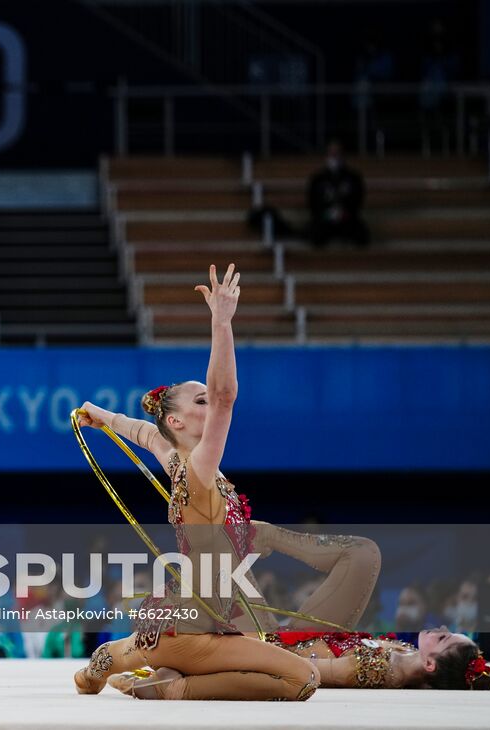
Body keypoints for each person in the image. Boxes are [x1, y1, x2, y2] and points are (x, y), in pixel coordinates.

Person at [73, 264, 321, 701]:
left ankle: (116, 660)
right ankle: (175, 684)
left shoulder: (177, 461)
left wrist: (105, 418)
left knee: (255, 646)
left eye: (207, 397)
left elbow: (146, 433)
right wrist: (221, 323)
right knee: (303, 679)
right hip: (196, 630)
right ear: (179, 420)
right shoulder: (199, 468)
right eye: (200, 400)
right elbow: (226, 397)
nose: (213, 403)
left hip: (179, 622)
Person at [266, 627, 490, 690]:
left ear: (430, 664)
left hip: (265, 643)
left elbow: (296, 667)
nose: (440, 628)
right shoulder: (405, 651)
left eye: (443, 637)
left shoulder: (371, 669)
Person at [306, 141, 369, 248]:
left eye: (337, 153)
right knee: (314, 233)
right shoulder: (317, 179)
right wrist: (328, 213)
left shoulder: (353, 177)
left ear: (343, 155)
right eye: (332, 153)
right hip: (324, 218)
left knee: (362, 235)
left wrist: (343, 212)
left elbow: (358, 200)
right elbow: (312, 202)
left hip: (347, 217)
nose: (334, 157)